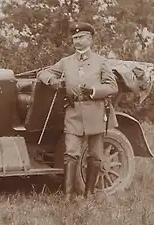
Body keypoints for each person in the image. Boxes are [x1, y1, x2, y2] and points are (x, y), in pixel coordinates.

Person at [36, 22, 118, 201]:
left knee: (95, 155)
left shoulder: (101, 62)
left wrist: (95, 91)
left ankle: (89, 194)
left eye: (81, 37)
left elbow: (112, 86)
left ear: (90, 39)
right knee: (71, 153)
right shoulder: (66, 62)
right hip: (73, 113)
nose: (77, 41)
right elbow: (43, 73)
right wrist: (53, 81)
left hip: (96, 112)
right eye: (74, 38)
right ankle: (67, 195)